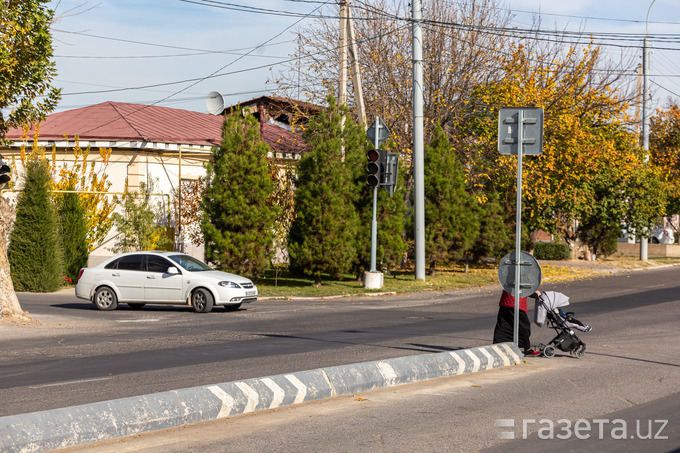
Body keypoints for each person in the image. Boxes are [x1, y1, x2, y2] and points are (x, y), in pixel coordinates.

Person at [493, 289, 541, 356]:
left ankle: (496, 346)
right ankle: (527, 349)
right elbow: (523, 289)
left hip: (505, 301)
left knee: (503, 324)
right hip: (516, 303)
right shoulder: (521, 279)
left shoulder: (508, 278)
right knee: (524, 326)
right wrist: (536, 294)